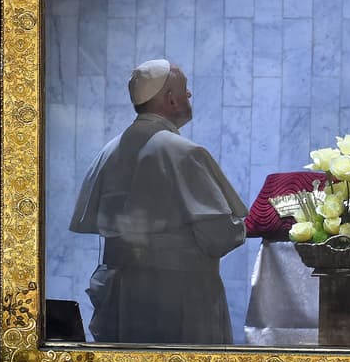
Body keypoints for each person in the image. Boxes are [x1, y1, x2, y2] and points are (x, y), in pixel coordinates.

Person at [70, 59, 247, 344]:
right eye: (185, 90)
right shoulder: (180, 151)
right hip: (179, 296)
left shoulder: (109, 150)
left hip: (123, 294)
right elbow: (220, 238)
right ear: (170, 99)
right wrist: (241, 227)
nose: (188, 95)